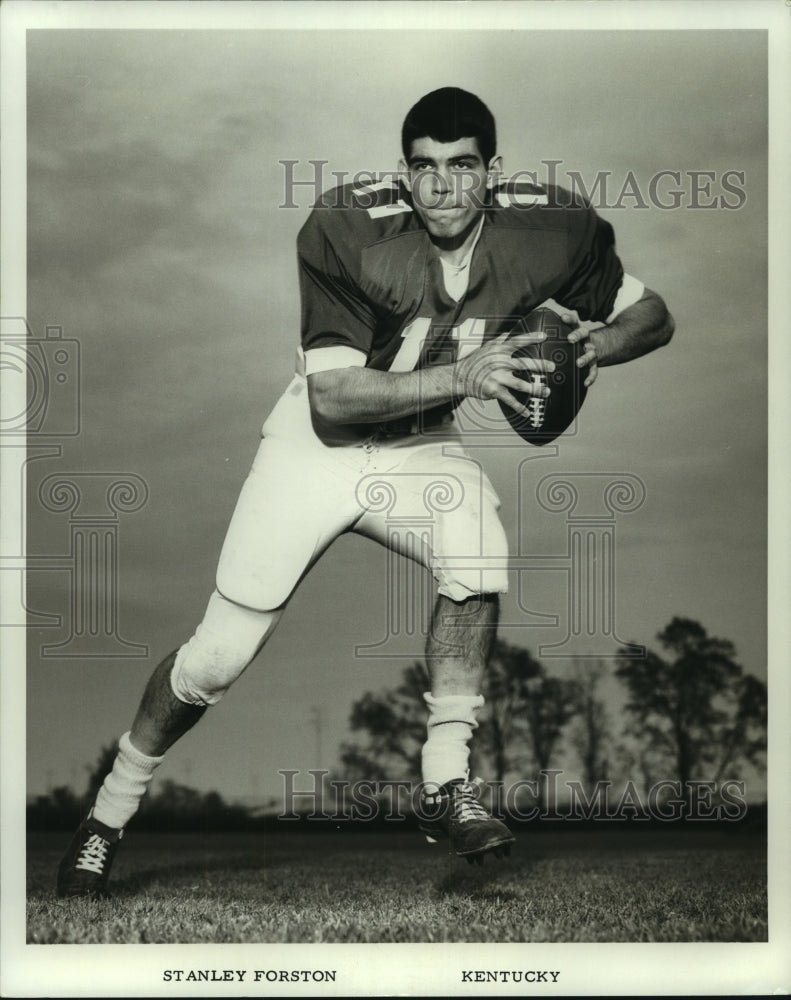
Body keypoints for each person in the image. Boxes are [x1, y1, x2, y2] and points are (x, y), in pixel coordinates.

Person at [57, 87, 673, 896]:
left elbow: (653, 315)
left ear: (493, 172)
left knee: (478, 548)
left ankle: (444, 781)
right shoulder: (349, 227)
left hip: (419, 446)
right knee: (215, 661)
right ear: (403, 173)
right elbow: (333, 398)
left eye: (461, 168)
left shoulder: (552, 229)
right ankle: (108, 814)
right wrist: (464, 374)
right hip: (317, 447)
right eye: (424, 169)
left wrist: (600, 346)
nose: (442, 187)